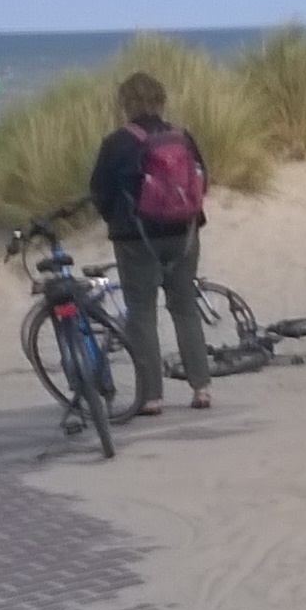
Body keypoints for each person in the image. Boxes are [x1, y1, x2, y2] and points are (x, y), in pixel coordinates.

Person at [87, 71, 213, 416]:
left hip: (136, 237)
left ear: (125, 103)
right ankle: (201, 387)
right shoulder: (182, 136)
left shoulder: (118, 142)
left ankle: (151, 396)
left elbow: (100, 190)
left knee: (142, 314)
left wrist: (115, 220)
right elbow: (202, 181)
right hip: (184, 233)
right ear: (161, 100)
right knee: (185, 307)